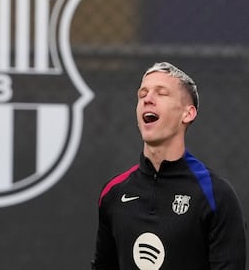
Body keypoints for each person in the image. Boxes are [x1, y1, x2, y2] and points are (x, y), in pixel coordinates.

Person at [91, 62, 246, 270]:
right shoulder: (113, 193)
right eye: (142, 94)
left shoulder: (216, 195)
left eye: (161, 93)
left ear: (187, 113)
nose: (148, 99)